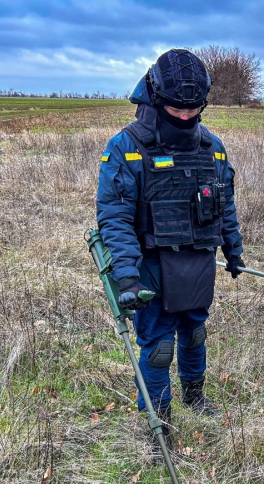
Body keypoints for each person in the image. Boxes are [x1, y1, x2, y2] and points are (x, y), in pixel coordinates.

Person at [95, 48, 245, 458]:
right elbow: (114, 217)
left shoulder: (212, 147)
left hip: (197, 262)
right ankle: (158, 422)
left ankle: (195, 395)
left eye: (193, 109)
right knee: (158, 347)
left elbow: (224, 204)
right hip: (151, 267)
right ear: (156, 98)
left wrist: (234, 249)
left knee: (195, 334)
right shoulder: (127, 148)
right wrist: (126, 275)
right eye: (177, 109)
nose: (185, 116)